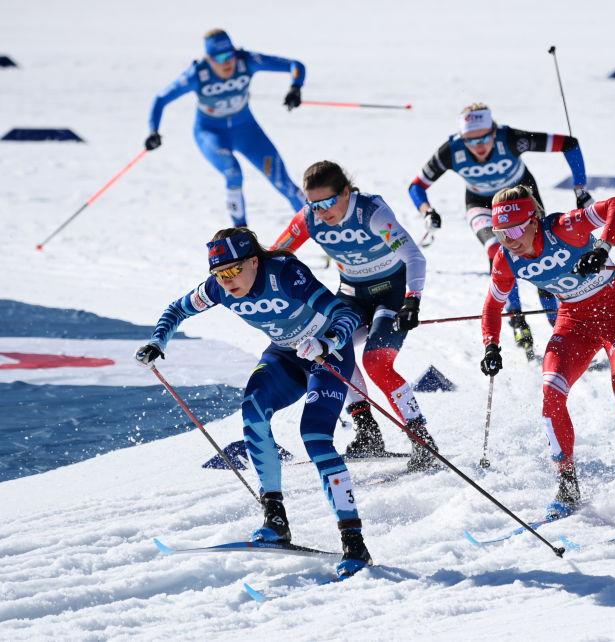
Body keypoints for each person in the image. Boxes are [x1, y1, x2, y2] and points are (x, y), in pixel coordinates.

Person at [134, 227, 371, 578]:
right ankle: (275, 519)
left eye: (232, 270)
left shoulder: (287, 275)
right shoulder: (217, 288)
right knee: (253, 413)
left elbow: (345, 315)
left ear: (254, 262)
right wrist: (158, 341)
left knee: (315, 437)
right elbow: (177, 310)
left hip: (326, 356)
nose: (226, 281)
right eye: (218, 273)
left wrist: (328, 343)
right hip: (286, 356)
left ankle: (354, 542)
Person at [478, 185, 615, 524]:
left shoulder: (566, 227)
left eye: (517, 229)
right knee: (551, 396)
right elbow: (493, 305)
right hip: (573, 325)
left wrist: (603, 245)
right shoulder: (505, 259)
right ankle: (567, 486)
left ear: (534, 221)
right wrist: (491, 344)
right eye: (501, 233)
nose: (510, 240)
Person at [272, 161, 441, 472]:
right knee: (332, 350)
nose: (321, 212)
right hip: (351, 295)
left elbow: (414, 256)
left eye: (327, 202)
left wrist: (412, 302)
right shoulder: (309, 218)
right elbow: (276, 255)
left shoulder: (370, 212)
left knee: (376, 362)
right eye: (313, 204)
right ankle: (367, 431)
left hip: (392, 292)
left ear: (346, 193)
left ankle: (422, 438)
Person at [408, 102, 595, 361]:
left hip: (522, 200)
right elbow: (416, 186)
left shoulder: (511, 139)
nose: (479, 145)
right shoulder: (450, 151)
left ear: (494, 131)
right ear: (461, 138)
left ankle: (559, 324)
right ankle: (517, 321)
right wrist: (427, 211)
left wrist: (580, 190)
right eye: (471, 140)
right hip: (481, 205)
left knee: (539, 252)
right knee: (498, 250)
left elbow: (569, 143)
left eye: (485, 137)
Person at [145, 29, 307, 228]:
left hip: (247, 131)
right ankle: (242, 239)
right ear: (209, 59)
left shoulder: (246, 61)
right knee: (233, 173)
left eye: (230, 54)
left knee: (283, 182)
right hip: (211, 133)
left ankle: (322, 231)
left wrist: (295, 87)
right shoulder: (197, 74)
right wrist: (154, 131)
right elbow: (160, 99)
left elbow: (295, 65)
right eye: (220, 58)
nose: (227, 62)